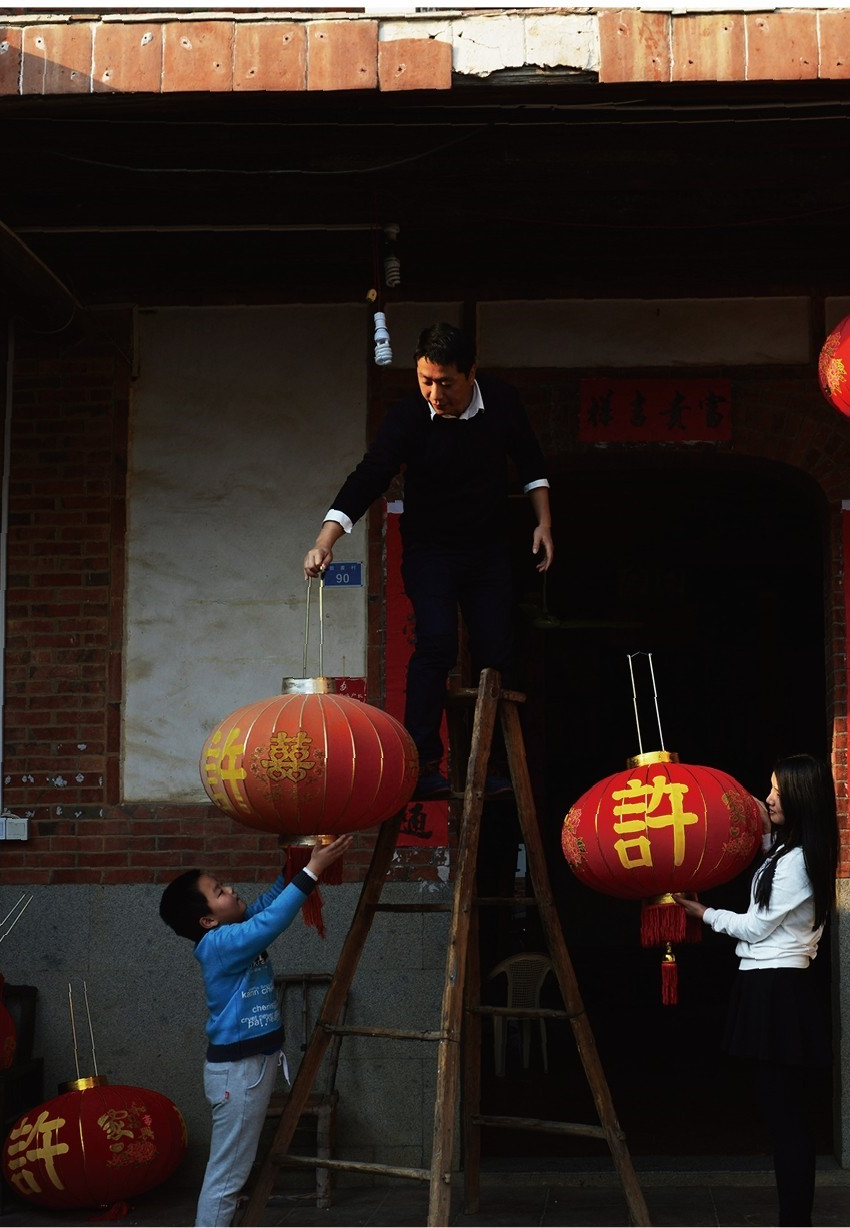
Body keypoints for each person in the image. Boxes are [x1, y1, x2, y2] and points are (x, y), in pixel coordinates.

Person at [303, 322, 553, 799]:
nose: (435, 393)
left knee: (495, 655)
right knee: (436, 642)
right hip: (430, 551)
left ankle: (487, 764)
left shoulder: (501, 402)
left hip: (488, 551)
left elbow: (531, 462)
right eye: (425, 381)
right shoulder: (409, 418)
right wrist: (325, 540)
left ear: (471, 373)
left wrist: (544, 523)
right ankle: (423, 764)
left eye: (446, 382)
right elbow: (370, 475)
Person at [158, 835, 353, 1227]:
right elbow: (272, 920)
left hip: (250, 1069)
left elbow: (267, 905)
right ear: (208, 920)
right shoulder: (219, 944)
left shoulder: (231, 931)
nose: (231, 889)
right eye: (219, 891)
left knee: (232, 1173)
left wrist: (296, 862)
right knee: (227, 1176)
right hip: (238, 1074)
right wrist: (312, 870)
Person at [680, 754, 838, 1228]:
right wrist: (743, 804)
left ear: (801, 797)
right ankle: (794, 1217)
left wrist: (701, 913)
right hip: (769, 987)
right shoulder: (788, 851)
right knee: (780, 1115)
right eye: (768, 788)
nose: (770, 797)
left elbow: (754, 926)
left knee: (786, 1118)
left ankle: (795, 1220)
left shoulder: (800, 863)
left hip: (779, 991)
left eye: (776, 790)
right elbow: (766, 839)